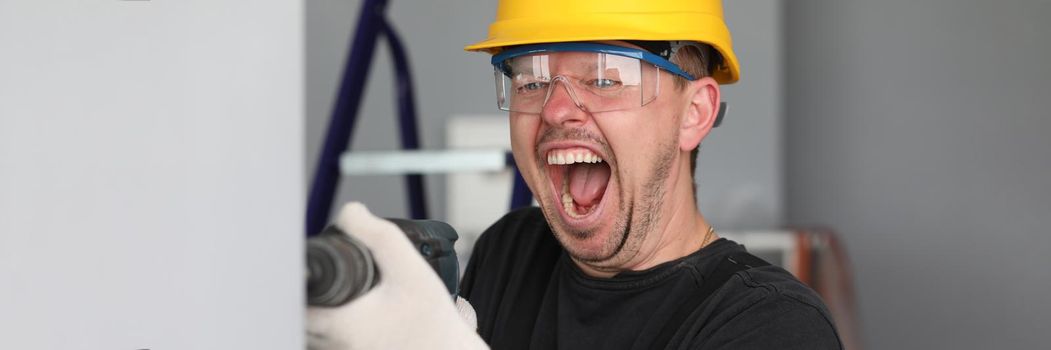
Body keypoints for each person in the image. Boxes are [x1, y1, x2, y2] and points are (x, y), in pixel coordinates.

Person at [307, 0, 843, 349]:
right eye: (532, 80)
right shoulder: (511, 251)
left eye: (606, 77)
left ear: (694, 113)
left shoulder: (771, 325)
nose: (557, 110)